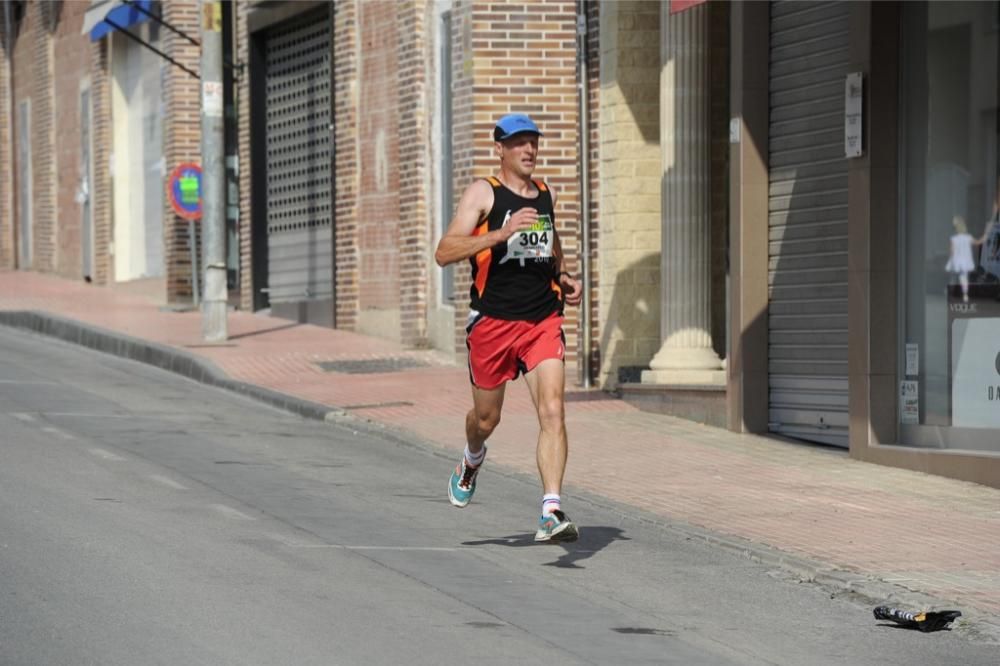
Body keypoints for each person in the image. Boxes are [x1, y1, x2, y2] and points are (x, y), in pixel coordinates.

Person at [434, 113, 583, 543]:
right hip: (492, 322)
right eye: (519, 142)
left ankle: (550, 511)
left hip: (541, 318)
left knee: (553, 410)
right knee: (486, 418)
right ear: (500, 147)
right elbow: (445, 252)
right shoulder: (484, 193)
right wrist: (499, 234)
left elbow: (550, 244)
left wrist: (564, 276)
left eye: (533, 141)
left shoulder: (544, 193)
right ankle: (471, 458)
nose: (529, 150)